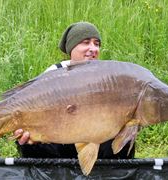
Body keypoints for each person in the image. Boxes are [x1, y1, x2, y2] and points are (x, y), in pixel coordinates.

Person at [14, 22, 135, 159]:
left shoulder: (107, 76)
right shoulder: (52, 74)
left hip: (96, 137)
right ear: (72, 48)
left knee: (125, 134)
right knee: (28, 140)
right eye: (86, 42)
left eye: (96, 44)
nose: (93, 48)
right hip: (62, 139)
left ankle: (108, 172)